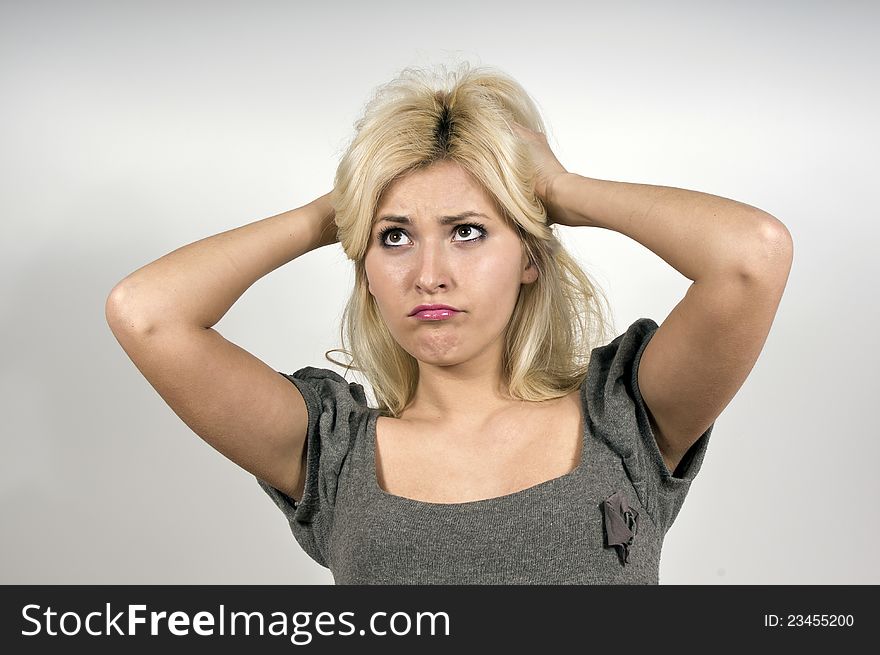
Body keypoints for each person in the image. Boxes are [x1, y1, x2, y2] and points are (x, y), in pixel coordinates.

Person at [106, 63, 793, 584]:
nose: (428, 272)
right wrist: (340, 207)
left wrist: (557, 189)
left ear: (527, 254)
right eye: (395, 237)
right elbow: (147, 313)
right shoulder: (332, 452)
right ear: (364, 262)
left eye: (467, 230)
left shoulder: (624, 417)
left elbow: (752, 255)